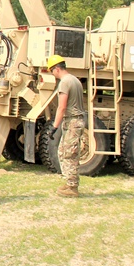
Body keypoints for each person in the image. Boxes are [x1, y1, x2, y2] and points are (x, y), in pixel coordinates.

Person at [47, 54, 85, 197]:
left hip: (72, 122)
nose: (52, 74)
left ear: (57, 69)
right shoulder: (75, 80)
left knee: (69, 154)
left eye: (52, 70)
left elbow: (61, 107)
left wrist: (54, 127)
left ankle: (72, 187)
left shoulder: (65, 82)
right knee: (64, 152)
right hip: (76, 121)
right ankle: (69, 182)